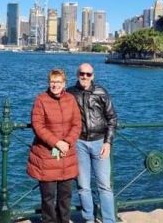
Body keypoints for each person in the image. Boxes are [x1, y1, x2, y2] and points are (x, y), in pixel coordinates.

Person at [27, 68, 82, 223]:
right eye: (52, 82)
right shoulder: (41, 100)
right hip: (47, 156)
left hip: (67, 155)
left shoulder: (70, 99)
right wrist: (56, 142)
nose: (55, 85)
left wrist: (67, 142)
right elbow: (38, 126)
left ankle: (64, 220)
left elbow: (77, 124)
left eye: (58, 82)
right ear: (48, 83)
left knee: (65, 196)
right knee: (48, 197)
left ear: (64, 83)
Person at [67, 63, 117, 223]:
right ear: (77, 74)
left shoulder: (100, 91)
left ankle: (109, 220)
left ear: (93, 76)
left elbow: (112, 118)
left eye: (88, 74)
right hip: (79, 143)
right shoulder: (70, 93)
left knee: (104, 186)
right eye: (82, 73)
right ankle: (89, 219)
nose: (85, 77)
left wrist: (108, 142)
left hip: (99, 143)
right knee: (83, 186)